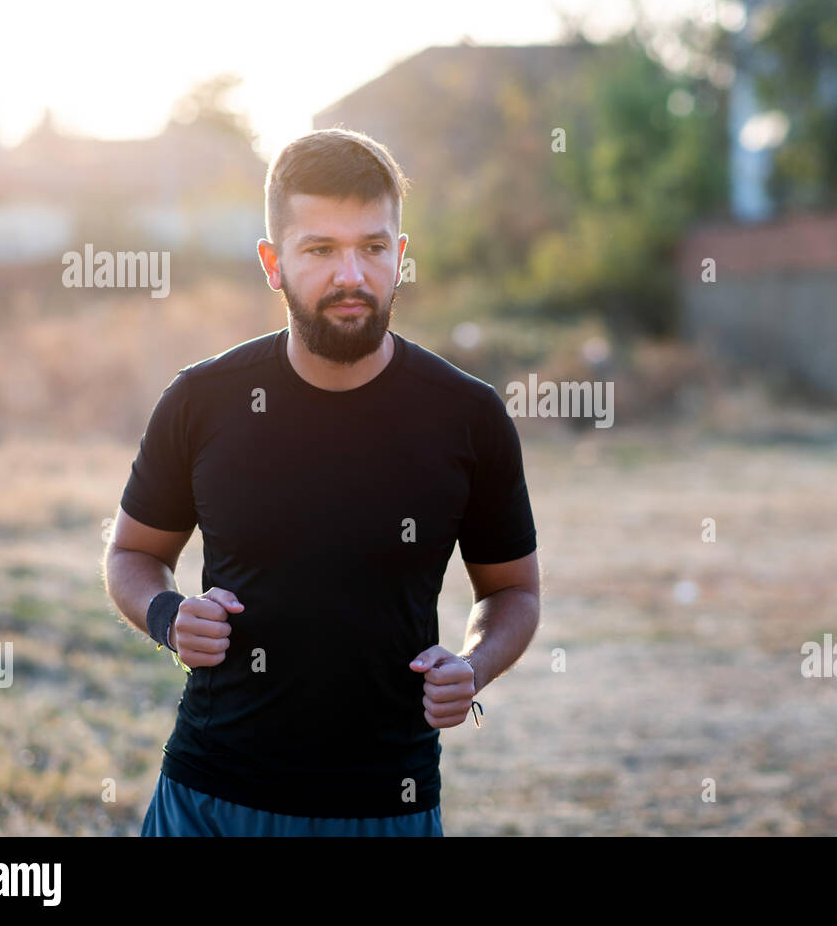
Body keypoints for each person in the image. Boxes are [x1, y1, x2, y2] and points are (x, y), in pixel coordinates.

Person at [104, 128, 541, 836]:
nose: (352, 275)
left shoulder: (468, 415)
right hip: (212, 797)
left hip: (385, 802)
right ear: (273, 263)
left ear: (400, 258)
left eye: (372, 248)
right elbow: (130, 553)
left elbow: (513, 591)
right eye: (320, 250)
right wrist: (166, 615)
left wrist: (475, 664)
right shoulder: (203, 399)